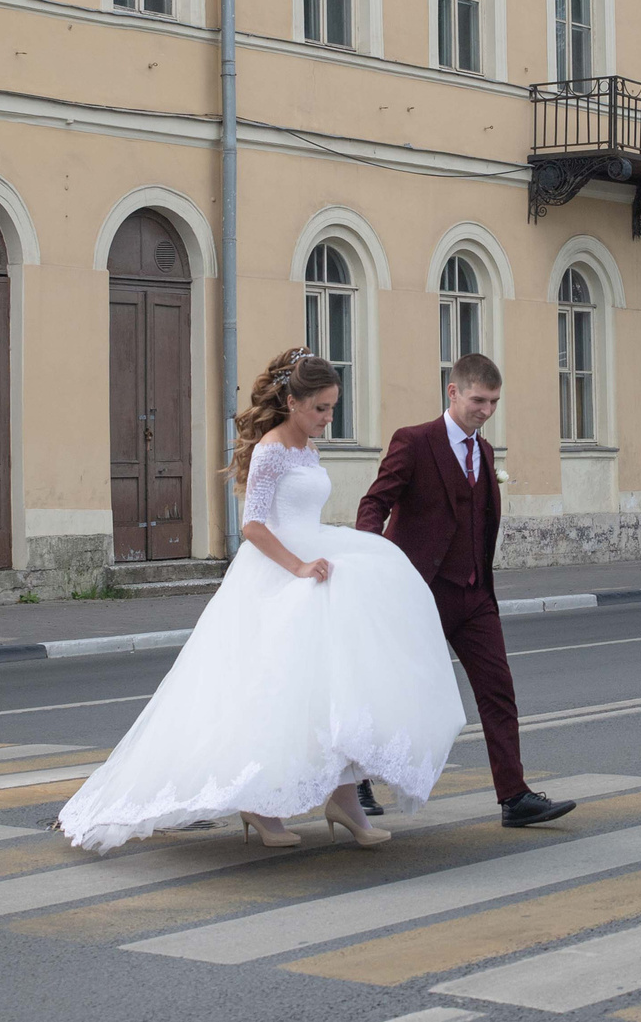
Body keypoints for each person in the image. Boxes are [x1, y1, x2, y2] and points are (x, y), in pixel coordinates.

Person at [56, 349, 465, 855]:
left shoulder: (307, 450)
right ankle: (260, 804)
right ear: (292, 402)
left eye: (332, 408)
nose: (327, 418)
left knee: (335, 687)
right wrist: (296, 568)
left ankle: (344, 801)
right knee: (272, 693)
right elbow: (253, 526)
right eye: (320, 408)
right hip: (278, 574)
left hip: (316, 562)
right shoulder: (271, 450)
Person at [358, 353, 577, 829]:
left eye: (494, 402)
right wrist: (371, 561)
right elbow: (375, 502)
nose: (486, 410)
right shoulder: (414, 442)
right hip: (423, 593)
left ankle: (514, 797)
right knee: (391, 689)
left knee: (498, 691)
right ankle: (355, 780)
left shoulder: (484, 451)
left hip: (475, 594)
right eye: (479, 400)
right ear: (453, 392)